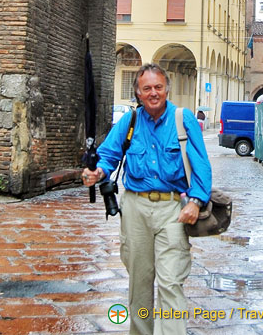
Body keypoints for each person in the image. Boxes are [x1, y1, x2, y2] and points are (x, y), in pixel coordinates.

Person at [82, 63, 212, 335]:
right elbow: (108, 155)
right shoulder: (128, 122)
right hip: (135, 208)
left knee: (171, 280)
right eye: (147, 88)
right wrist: (97, 171)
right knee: (139, 282)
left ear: (166, 89)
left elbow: (201, 164)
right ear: (138, 94)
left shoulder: (183, 118)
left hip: (172, 208)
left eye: (158, 87)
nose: (154, 93)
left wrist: (196, 201)